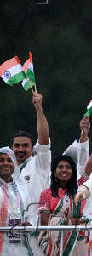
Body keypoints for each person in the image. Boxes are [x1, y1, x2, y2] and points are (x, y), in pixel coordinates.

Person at [11, 91, 50, 225]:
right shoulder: (6, 169)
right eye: (16, 146)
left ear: (33, 148)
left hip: (34, 232)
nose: (20, 149)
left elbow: (44, 141)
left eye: (25, 146)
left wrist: (39, 109)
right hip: (8, 232)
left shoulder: (38, 164)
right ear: (11, 148)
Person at [38, 155, 87, 255]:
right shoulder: (46, 194)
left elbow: (86, 216)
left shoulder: (80, 194)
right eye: (60, 167)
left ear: (73, 172)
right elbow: (44, 222)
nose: (64, 170)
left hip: (78, 241)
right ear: (54, 172)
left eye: (68, 167)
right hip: (54, 244)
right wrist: (69, 223)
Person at [0, 147, 32, 255]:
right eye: (1, 160)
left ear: (14, 166)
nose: (5, 163)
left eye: (9, 160)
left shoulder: (23, 188)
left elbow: (31, 214)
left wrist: (29, 224)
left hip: (21, 247)